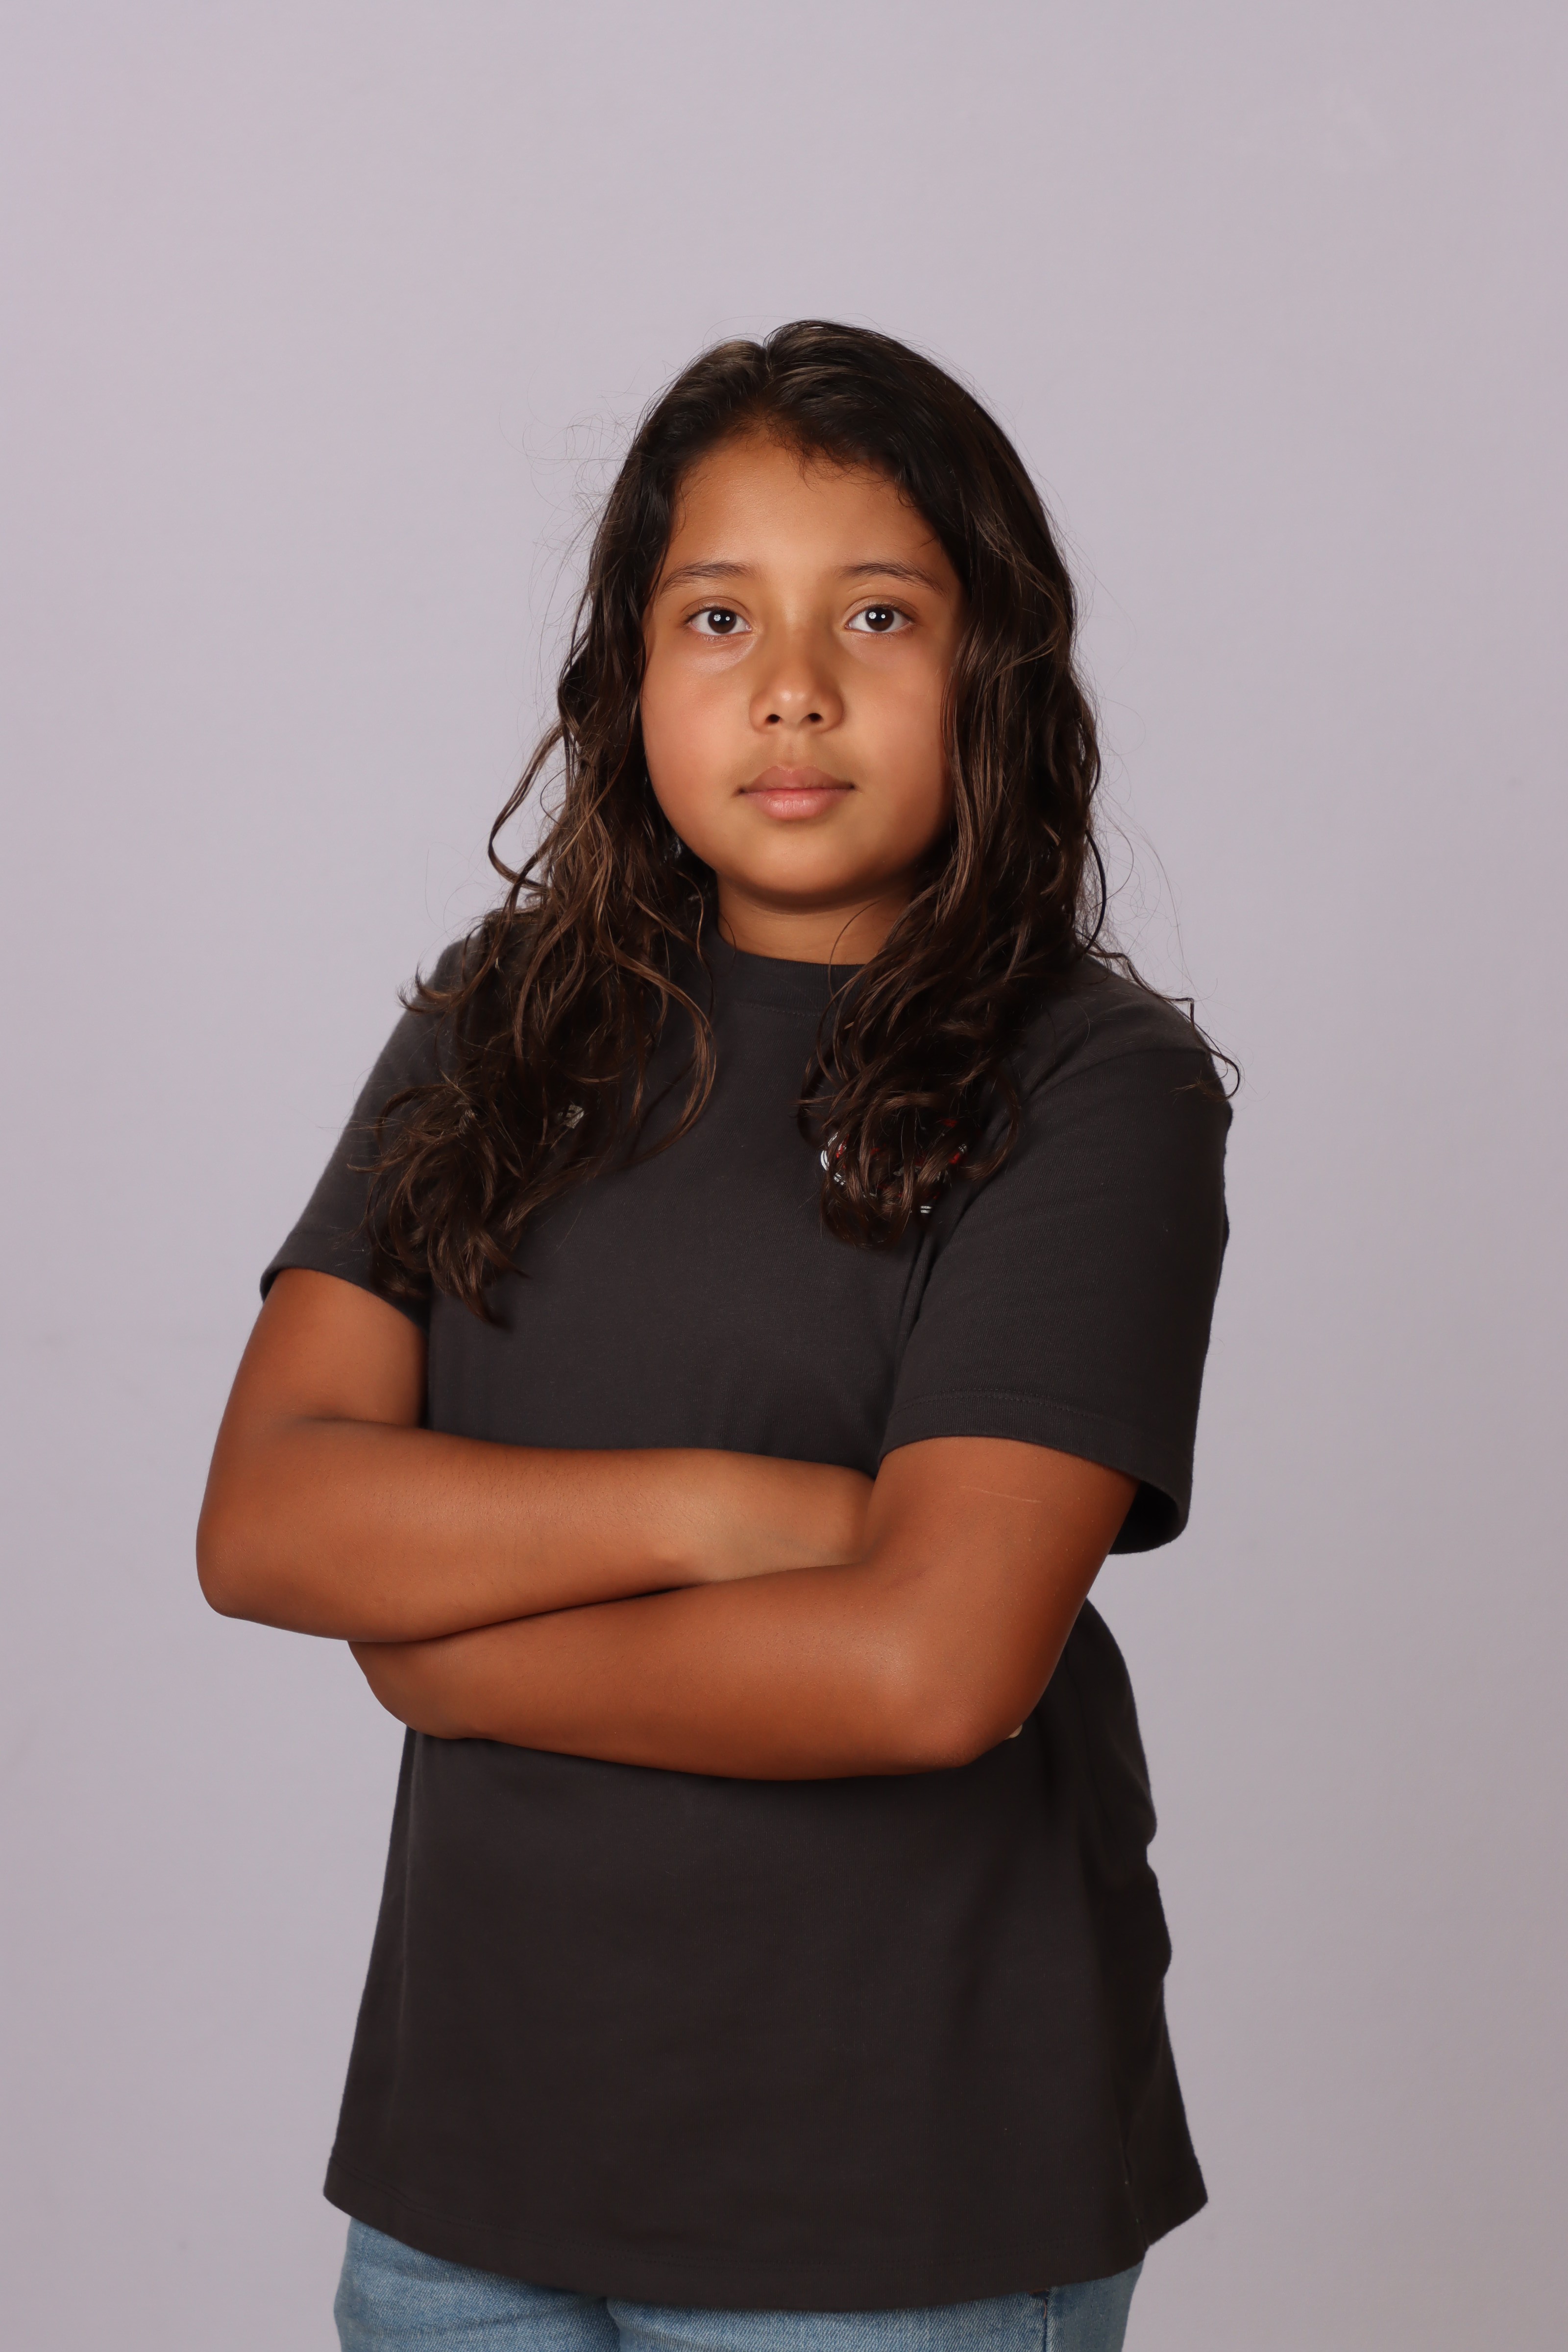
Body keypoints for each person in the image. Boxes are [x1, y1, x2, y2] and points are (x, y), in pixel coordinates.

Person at [198, 321, 1230, 2352]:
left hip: (892, 2212)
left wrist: (450, 1654)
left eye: (878, 614)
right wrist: (734, 1512)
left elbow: (929, 1671)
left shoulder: (1091, 1085)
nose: (792, 686)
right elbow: (270, 1519)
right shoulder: (495, 1026)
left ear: (996, 666)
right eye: (717, 615)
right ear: (630, 671)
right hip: (467, 2180)